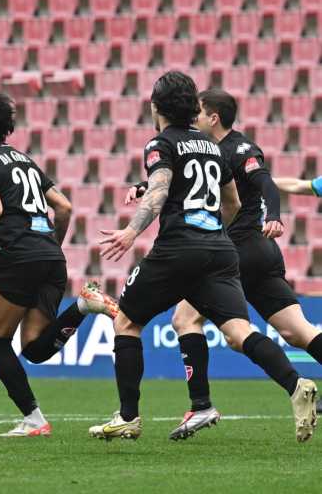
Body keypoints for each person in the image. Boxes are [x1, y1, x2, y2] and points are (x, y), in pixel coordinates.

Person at [90, 72, 317, 443]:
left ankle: (128, 417)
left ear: (156, 107)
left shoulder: (160, 143)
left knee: (127, 322)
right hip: (221, 250)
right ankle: (295, 384)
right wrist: (212, 233)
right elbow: (233, 202)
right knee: (238, 331)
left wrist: (131, 231)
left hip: (178, 249)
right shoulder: (212, 147)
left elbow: (159, 191)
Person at [0, 91, 117, 437]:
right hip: (50, 256)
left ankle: (34, 420)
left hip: (17, 256)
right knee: (34, 348)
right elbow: (64, 207)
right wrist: (48, 248)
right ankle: (83, 305)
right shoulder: (23, 160)